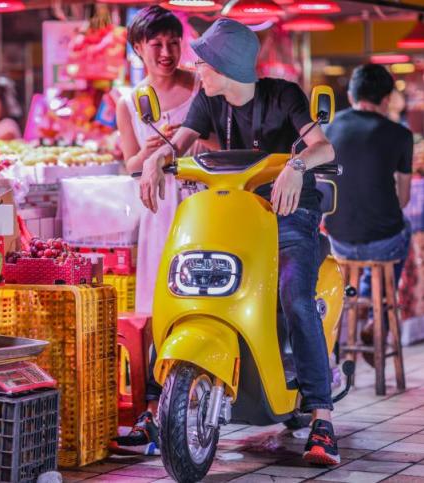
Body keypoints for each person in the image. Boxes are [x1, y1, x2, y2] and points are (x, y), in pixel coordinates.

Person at [139, 18, 340, 465]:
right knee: (181, 281)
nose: (196, 67)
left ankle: (322, 420)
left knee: (293, 293)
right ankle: (156, 402)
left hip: (289, 213)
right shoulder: (208, 101)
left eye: (203, 61)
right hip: (231, 212)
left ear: (225, 66)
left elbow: (323, 147)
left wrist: (296, 166)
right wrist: (156, 158)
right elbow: (180, 143)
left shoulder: (283, 96)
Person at [112, 5, 212, 456]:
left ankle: (202, 390)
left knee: (204, 297)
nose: (167, 52)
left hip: (201, 204)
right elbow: (130, 165)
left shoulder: (202, 87)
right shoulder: (129, 103)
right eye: (157, 45)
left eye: (174, 43)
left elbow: (223, 146)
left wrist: (186, 143)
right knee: (157, 303)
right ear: (138, 49)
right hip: (158, 209)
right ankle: (156, 404)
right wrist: (150, 152)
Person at [324, 64, 413, 362]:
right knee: (405, 229)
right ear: (386, 99)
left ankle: (360, 300)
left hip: (338, 241)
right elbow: (403, 199)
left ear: (351, 95)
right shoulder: (400, 135)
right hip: (383, 242)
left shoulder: (330, 128)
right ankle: (379, 317)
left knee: (372, 241)